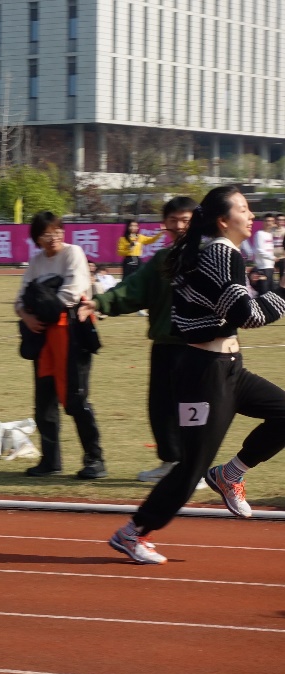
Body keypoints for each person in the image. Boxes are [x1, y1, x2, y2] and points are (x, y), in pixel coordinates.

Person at [109, 187, 285, 565]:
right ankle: (133, 532)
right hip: (204, 375)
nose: (251, 215)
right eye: (243, 209)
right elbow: (245, 316)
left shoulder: (218, 252)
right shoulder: (220, 254)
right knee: (191, 468)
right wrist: (282, 295)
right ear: (223, 220)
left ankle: (229, 475)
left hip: (229, 369)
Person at [85, 197, 200, 486]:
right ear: (164, 224)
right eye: (173, 220)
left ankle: (193, 467)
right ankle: (171, 462)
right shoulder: (162, 260)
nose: (179, 226)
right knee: (160, 408)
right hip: (163, 345)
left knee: (192, 409)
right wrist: (98, 303)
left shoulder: (211, 256)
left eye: (186, 220)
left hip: (198, 347)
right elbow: (133, 289)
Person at [15, 211, 105, 480]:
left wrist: (40, 303)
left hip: (71, 334)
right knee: (44, 401)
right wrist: (27, 316)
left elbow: (72, 293)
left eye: (57, 232)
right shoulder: (36, 261)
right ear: (36, 239)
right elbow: (20, 299)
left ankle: (95, 459)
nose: (53, 238)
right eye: (46, 234)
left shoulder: (73, 253)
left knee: (75, 398)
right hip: (43, 337)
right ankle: (50, 460)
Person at [247, 213, 276, 294]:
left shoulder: (270, 235)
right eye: (267, 221)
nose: (269, 223)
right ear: (263, 222)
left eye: (271, 221)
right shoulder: (259, 234)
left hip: (270, 267)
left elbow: (270, 250)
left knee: (270, 292)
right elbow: (259, 250)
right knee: (263, 292)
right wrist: (272, 258)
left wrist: (272, 263)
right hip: (262, 268)